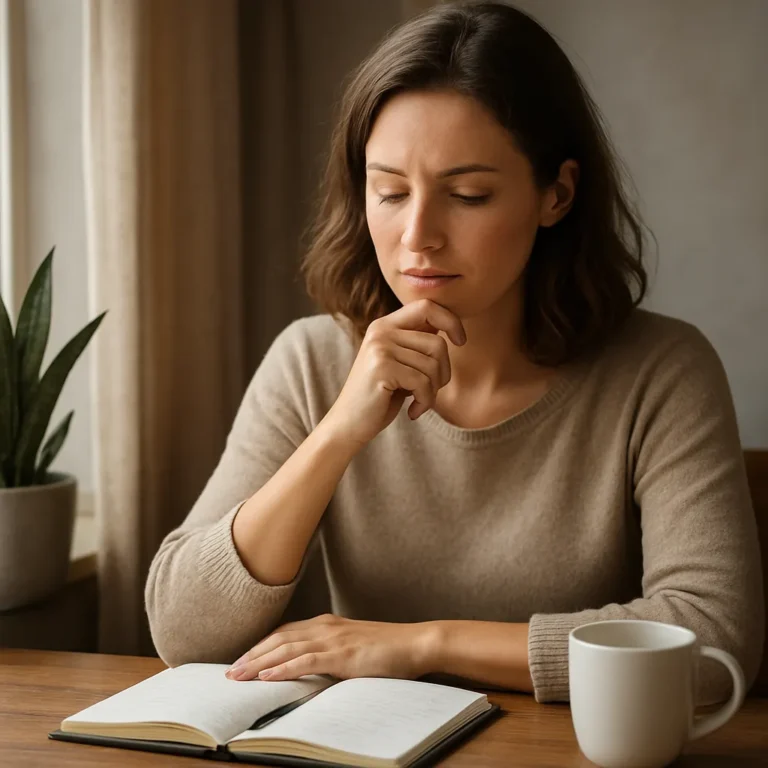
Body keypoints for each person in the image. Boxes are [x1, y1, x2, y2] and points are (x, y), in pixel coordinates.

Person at [145, 1, 764, 704]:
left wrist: (419, 644)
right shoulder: (311, 360)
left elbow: (714, 640)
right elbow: (183, 631)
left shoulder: (661, 371)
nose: (417, 236)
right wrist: (340, 431)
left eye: (467, 195)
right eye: (389, 191)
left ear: (556, 194)